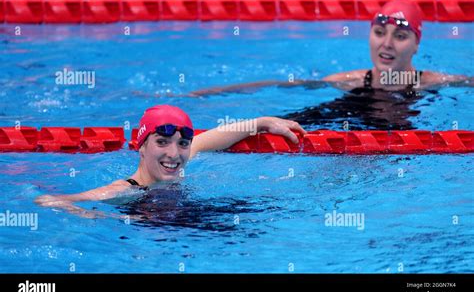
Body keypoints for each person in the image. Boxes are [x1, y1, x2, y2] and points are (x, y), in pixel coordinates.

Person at [188, 0, 472, 130]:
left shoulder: (431, 82)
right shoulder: (351, 80)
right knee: (281, 124)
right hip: (349, 119)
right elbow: (281, 85)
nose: (386, 44)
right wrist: (211, 93)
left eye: (400, 36)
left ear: (416, 44)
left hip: (400, 138)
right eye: (379, 33)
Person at [36, 105, 306, 218]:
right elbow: (49, 200)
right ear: (140, 147)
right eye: (162, 143)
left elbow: (215, 136)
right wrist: (93, 215)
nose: (174, 154)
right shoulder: (126, 189)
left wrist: (262, 123)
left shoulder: (179, 164)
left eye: (182, 144)